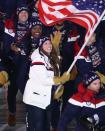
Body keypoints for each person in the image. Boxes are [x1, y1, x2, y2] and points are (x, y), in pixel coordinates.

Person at [23, 36, 70, 131]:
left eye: (50, 43)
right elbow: (43, 79)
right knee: (36, 127)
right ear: (40, 46)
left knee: (45, 126)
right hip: (35, 100)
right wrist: (59, 79)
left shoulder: (50, 58)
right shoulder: (38, 59)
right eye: (46, 43)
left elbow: (55, 74)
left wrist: (57, 88)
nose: (49, 45)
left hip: (46, 100)